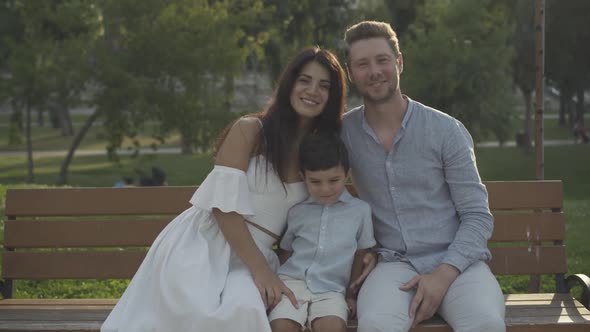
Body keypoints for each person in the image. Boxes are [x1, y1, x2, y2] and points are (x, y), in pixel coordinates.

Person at [101, 46, 351, 332]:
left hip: (255, 254)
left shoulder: (320, 152)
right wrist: (261, 270)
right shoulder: (250, 131)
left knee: (244, 308)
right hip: (204, 244)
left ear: (332, 97)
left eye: (324, 85)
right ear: (289, 84)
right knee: (206, 312)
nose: (312, 90)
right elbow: (222, 208)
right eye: (304, 80)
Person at [340, 21, 506, 332]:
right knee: (376, 324)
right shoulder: (343, 134)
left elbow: (476, 216)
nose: (374, 71)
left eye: (382, 60)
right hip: (390, 265)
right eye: (362, 64)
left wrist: (443, 274)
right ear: (351, 72)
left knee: (485, 323)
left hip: (457, 263)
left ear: (399, 62)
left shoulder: (445, 131)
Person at [269, 133, 376, 332]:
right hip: (292, 283)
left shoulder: (360, 211)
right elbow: (286, 251)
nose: (325, 189)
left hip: (332, 289)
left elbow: (361, 253)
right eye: (315, 182)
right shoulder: (296, 211)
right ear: (303, 177)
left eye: (334, 180)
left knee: (332, 327)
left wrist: (352, 295)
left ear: (347, 174)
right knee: (282, 325)